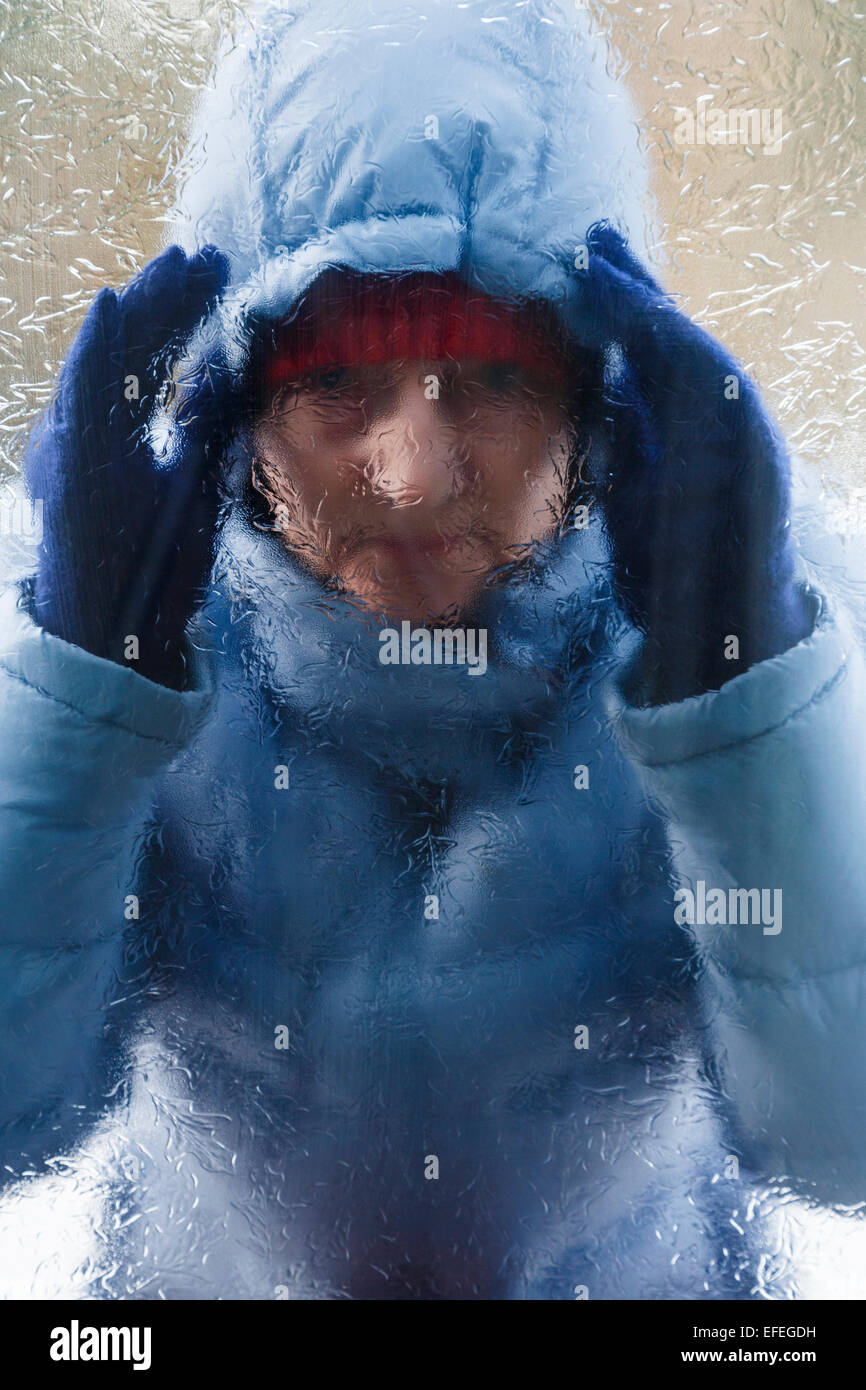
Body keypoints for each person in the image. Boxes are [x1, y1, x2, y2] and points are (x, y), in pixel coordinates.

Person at [1, 0, 865, 1300]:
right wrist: (80, 697)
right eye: (335, 381)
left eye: (499, 379)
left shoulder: (759, 602)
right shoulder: (88, 602)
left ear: (602, 382)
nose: (411, 476)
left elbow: (840, 1140)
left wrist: (737, 712)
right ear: (232, 391)